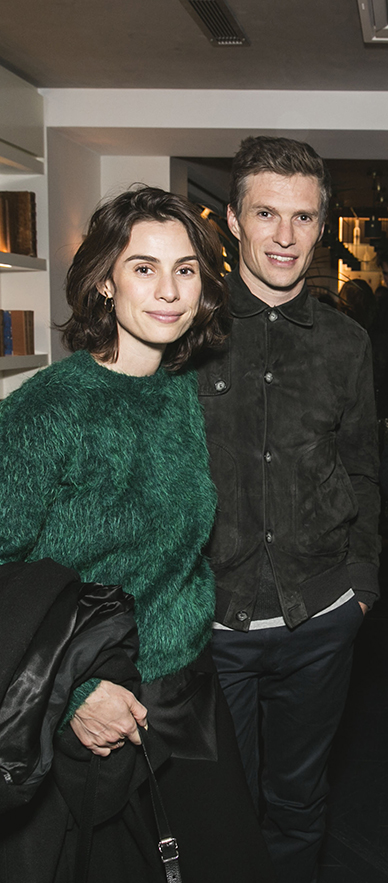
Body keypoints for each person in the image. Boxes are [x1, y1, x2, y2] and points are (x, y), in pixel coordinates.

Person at [0, 186, 275, 882]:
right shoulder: (45, 409)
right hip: (85, 710)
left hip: (183, 693)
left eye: (186, 269)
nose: (169, 290)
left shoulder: (185, 391)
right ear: (104, 279)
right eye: (143, 267)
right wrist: (74, 692)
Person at [198, 136, 381, 883]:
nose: (284, 236)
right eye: (266, 213)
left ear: (321, 225)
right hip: (214, 623)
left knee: (301, 802)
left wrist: (362, 589)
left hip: (321, 617)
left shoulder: (348, 343)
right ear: (233, 221)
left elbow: (365, 467)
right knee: (221, 803)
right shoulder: (189, 335)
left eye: (302, 218)